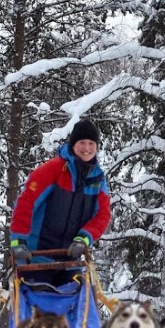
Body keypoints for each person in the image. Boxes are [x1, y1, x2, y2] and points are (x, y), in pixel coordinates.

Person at [9, 118, 111, 286]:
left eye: (91, 143)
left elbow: (103, 214)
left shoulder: (98, 180)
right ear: (73, 145)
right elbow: (26, 203)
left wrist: (83, 239)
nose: (87, 148)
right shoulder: (53, 169)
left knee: (79, 304)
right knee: (37, 306)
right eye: (82, 142)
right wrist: (19, 241)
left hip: (69, 260)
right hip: (37, 257)